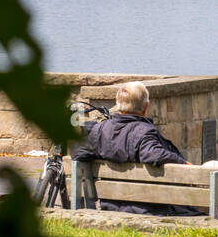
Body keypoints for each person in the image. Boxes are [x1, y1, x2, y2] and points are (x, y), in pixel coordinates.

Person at [73, 81, 200, 215]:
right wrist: (183, 162)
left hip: (111, 206)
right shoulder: (144, 132)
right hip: (151, 209)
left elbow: (77, 152)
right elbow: (153, 154)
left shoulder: (99, 130)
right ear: (146, 107)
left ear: (117, 103)